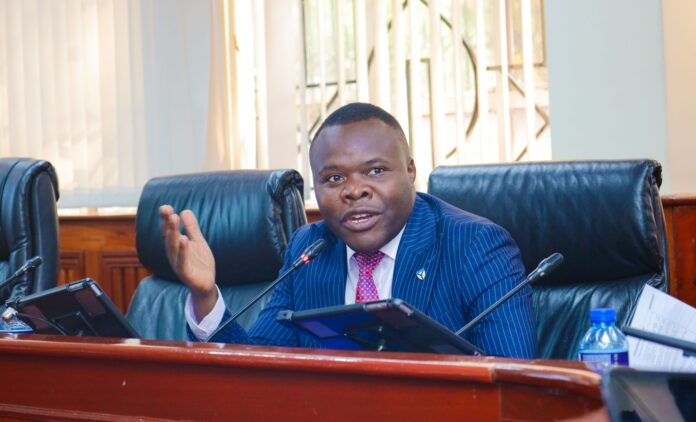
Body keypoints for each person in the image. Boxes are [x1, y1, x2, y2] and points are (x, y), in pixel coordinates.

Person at [160, 102, 537, 358]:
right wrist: (205, 296)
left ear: (410, 171)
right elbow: (258, 368)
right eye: (334, 178)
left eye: (376, 171)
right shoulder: (310, 249)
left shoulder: (474, 246)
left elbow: (512, 383)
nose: (354, 191)